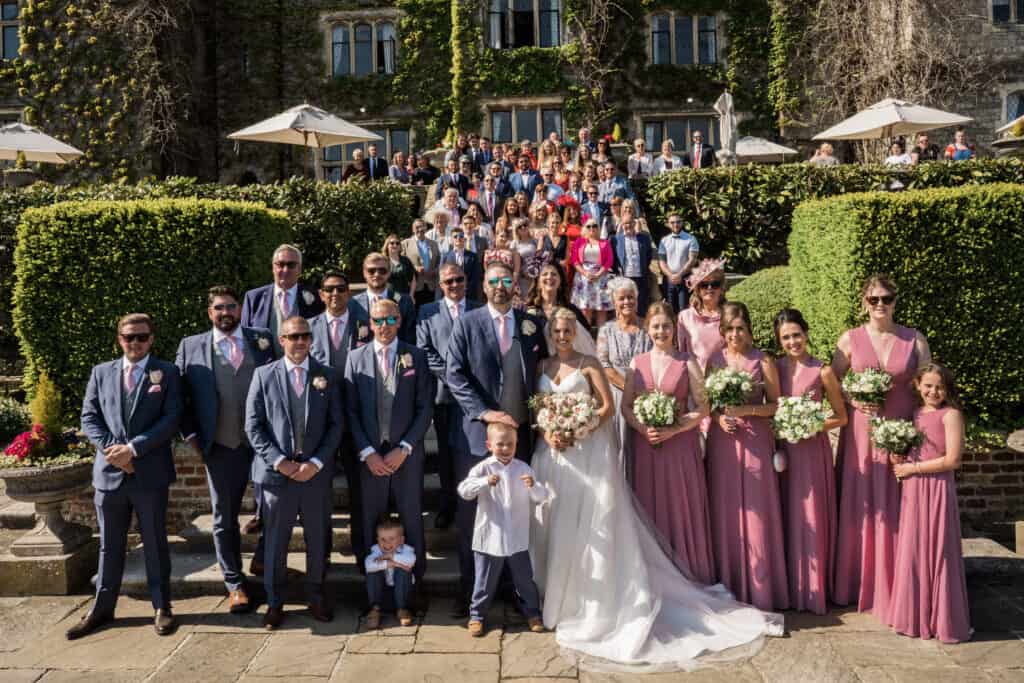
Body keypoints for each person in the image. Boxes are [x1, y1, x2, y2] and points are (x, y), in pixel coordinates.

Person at [529, 307, 784, 670]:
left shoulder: (662, 362)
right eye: (556, 330)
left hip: (614, 450)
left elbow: (612, 408)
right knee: (557, 524)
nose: (562, 334)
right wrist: (550, 430)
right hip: (556, 455)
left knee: (596, 523)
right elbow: (609, 407)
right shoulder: (547, 367)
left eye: (568, 328)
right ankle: (552, 594)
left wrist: (580, 428)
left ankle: (589, 598)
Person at [70, 314, 182, 640]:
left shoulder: (168, 373)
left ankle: (162, 607)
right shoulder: (101, 372)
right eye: (129, 337)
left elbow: (172, 417)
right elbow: (89, 417)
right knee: (109, 545)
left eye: (141, 337)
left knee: (155, 543)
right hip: (108, 474)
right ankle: (102, 609)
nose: (135, 343)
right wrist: (115, 453)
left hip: (149, 472)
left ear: (152, 339)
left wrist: (134, 449)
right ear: (119, 339)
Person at [445, 262, 547, 617]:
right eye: (494, 281)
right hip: (479, 441)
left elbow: (545, 369)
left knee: (516, 515)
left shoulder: (531, 324)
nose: (501, 286)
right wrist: (486, 413)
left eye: (507, 280)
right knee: (474, 518)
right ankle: (471, 593)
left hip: (522, 440)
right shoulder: (467, 323)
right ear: (484, 286)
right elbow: (453, 374)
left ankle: (515, 591)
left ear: (515, 284)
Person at [831, 274, 930, 616]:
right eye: (873, 300)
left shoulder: (914, 339)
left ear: (895, 301)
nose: (880, 305)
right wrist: (854, 398)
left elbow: (928, 385)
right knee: (862, 501)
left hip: (901, 428)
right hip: (861, 431)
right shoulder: (849, 339)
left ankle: (900, 584)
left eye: (886, 299)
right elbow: (833, 382)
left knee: (899, 502)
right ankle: (858, 582)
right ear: (864, 302)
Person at [175, 287, 276, 615]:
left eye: (232, 306)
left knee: (273, 508)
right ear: (210, 312)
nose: (226, 312)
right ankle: (234, 583)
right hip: (220, 444)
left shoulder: (261, 339)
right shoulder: (191, 347)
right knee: (224, 517)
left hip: (263, 443)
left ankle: (264, 560)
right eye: (219, 308)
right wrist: (191, 435)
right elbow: (179, 398)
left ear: (240, 309)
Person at [244, 316, 343, 630]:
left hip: (314, 475)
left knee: (317, 540)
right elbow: (254, 425)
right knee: (275, 542)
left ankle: (315, 595)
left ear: (311, 340)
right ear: (281, 340)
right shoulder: (263, 375)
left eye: (304, 336)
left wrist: (316, 463)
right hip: (277, 477)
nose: (299, 341)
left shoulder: (326, 375)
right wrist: (279, 461)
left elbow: (336, 425)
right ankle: (275, 602)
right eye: (292, 336)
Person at [345, 299, 434, 590]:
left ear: (398, 321)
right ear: (370, 323)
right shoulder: (355, 358)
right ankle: (374, 591)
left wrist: (406, 447)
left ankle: (413, 583)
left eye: (390, 320)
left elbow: (424, 407)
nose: (384, 326)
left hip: (405, 454)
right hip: (370, 454)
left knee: (411, 515)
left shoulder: (416, 356)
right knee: (370, 517)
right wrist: (367, 452)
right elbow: (351, 411)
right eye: (378, 320)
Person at [622, 302, 714, 584]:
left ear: (675, 328)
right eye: (655, 326)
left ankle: (686, 574)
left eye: (666, 326)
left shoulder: (687, 362)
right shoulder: (636, 364)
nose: (661, 331)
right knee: (650, 508)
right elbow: (626, 406)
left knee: (678, 507)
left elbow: (704, 406)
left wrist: (675, 429)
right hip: (646, 447)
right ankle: (651, 577)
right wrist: (643, 428)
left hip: (680, 448)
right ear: (647, 330)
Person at [705, 302, 789, 611]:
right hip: (723, 443)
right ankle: (729, 584)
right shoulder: (715, 360)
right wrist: (717, 419)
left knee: (757, 512)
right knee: (726, 509)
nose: (735, 335)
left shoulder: (763, 360)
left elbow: (776, 405)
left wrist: (748, 410)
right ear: (722, 332)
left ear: (749, 330)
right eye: (729, 329)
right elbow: (707, 404)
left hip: (755, 440)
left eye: (741, 328)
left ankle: (761, 589)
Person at [884, 363, 971, 643]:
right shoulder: (917, 413)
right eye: (928, 385)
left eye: (940, 386)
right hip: (914, 489)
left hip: (936, 488)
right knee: (915, 547)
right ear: (918, 385)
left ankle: (943, 620)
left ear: (947, 389)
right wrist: (899, 458)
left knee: (939, 550)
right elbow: (916, 450)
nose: (933, 391)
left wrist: (914, 469)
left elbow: (952, 460)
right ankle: (915, 616)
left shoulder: (951, 415)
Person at [774, 308, 848, 615]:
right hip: (784, 453)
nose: (793, 341)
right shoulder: (775, 369)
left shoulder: (824, 371)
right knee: (788, 516)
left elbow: (841, 417)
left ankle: (814, 590)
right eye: (786, 337)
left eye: (796, 335)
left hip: (812, 453)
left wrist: (813, 425)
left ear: (806, 334)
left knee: (812, 516)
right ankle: (790, 587)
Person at [458, 422, 547, 637]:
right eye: (500, 444)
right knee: (484, 579)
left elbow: (541, 497)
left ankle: (532, 612)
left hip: (516, 536)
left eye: (510, 444)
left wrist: (532, 486)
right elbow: (464, 490)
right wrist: (483, 482)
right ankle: (477, 615)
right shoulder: (483, 468)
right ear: (489, 444)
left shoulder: (523, 468)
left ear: (517, 444)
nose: (505, 448)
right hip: (490, 535)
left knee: (524, 578)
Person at [309, 271, 372, 570]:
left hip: (356, 418)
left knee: (360, 491)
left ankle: (363, 551)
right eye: (329, 289)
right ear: (321, 294)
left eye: (341, 289)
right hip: (319, 424)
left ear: (349, 293)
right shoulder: (307, 329)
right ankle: (320, 556)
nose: (335, 294)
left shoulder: (366, 326)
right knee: (319, 494)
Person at [418, 264, 484, 532]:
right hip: (445, 396)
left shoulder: (479, 308)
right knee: (446, 455)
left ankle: (475, 502)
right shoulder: (428, 312)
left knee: (475, 453)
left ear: (466, 280)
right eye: (448, 282)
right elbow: (425, 350)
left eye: (458, 279)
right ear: (440, 285)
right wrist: (454, 377)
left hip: (478, 395)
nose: (454, 285)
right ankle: (449, 505)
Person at [597, 277, 652, 479]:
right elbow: (604, 365)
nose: (627, 302)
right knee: (619, 446)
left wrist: (642, 394)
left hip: (645, 394)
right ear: (614, 302)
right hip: (617, 395)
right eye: (622, 298)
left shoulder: (648, 327)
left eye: (631, 297)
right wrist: (629, 390)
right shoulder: (606, 330)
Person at [241, 244, 324, 356]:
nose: (285, 270)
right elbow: (245, 338)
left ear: (299, 269)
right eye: (280, 264)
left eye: (291, 265)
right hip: (265, 369)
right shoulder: (254, 298)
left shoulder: (316, 298)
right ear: (273, 268)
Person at [526, 261, 594, 355]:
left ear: (560, 280)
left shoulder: (572, 311)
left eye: (554, 274)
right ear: (537, 281)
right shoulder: (528, 313)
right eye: (545, 274)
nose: (549, 277)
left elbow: (585, 340)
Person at [351, 253, 417, 344]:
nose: (377, 274)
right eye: (371, 271)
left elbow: (410, 338)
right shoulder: (352, 303)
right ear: (364, 273)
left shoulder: (404, 301)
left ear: (389, 273)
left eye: (382, 270)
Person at [364, 517, 417, 629]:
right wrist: (390, 564)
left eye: (391, 539)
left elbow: (411, 561)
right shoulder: (376, 550)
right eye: (382, 539)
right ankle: (375, 610)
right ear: (377, 540)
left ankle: (402, 610)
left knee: (403, 571)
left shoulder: (406, 550)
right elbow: (368, 565)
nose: (386, 543)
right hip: (382, 595)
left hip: (403, 595)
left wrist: (391, 556)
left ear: (401, 540)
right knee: (373, 571)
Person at [677, 258, 727, 370]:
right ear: (697, 289)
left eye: (715, 284)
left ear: (721, 288)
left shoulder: (729, 314)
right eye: (704, 284)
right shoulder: (685, 317)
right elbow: (681, 352)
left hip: (725, 379)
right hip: (695, 378)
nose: (709, 288)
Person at [569, 219, 614, 328]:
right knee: (585, 310)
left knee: (601, 310)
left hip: (601, 278)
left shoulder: (605, 242)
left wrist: (598, 274)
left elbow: (609, 260)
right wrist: (585, 273)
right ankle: (586, 338)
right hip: (584, 279)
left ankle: (601, 340)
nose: (592, 228)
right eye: (589, 226)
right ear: (585, 228)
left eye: (594, 226)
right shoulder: (579, 242)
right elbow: (574, 260)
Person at [610, 216, 653, 316]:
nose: (628, 226)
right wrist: (617, 270)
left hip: (640, 277)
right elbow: (613, 258)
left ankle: (640, 328)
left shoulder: (644, 238)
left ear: (634, 224)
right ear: (622, 225)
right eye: (625, 224)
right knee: (624, 305)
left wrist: (644, 268)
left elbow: (649, 255)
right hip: (624, 277)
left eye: (630, 223)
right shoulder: (616, 239)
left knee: (641, 305)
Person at [657, 213, 700, 314]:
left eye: (678, 222)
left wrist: (679, 275)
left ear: (682, 223)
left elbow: (692, 260)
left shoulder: (691, 239)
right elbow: (662, 262)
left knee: (684, 310)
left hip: (685, 279)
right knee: (670, 311)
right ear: (668, 224)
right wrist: (671, 276)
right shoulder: (664, 241)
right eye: (672, 222)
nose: (675, 225)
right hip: (669, 279)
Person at [402, 219, 442, 309]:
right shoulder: (406, 243)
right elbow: (402, 263)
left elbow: (439, 262)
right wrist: (415, 268)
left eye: (422, 226)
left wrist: (435, 271)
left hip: (430, 285)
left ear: (426, 228)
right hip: (414, 286)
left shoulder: (434, 244)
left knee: (429, 312)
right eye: (417, 227)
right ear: (413, 229)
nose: (420, 229)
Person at [513, 216, 551, 298]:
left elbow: (541, 256)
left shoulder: (534, 241)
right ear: (516, 230)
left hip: (536, 277)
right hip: (523, 277)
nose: (523, 228)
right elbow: (514, 264)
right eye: (520, 227)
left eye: (525, 225)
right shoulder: (514, 243)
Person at [441, 227, 483, 301]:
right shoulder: (445, 256)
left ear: (464, 239)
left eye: (461, 236)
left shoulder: (473, 256)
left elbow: (476, 276)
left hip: (469, 294)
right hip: (451, 293)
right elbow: (442, 276)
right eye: (455, 237)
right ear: (451, 240)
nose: (458, 238)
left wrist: (464, 289)